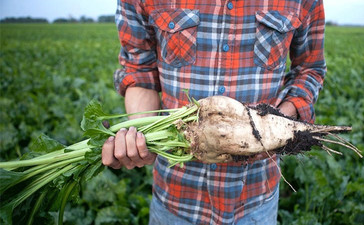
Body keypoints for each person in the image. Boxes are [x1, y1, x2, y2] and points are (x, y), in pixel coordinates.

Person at [102, 0, 326, 224]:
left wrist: (272, 128)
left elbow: (309, 69)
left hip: (257, 199)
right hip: (175, 199)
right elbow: (140, 71)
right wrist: (143, 136)